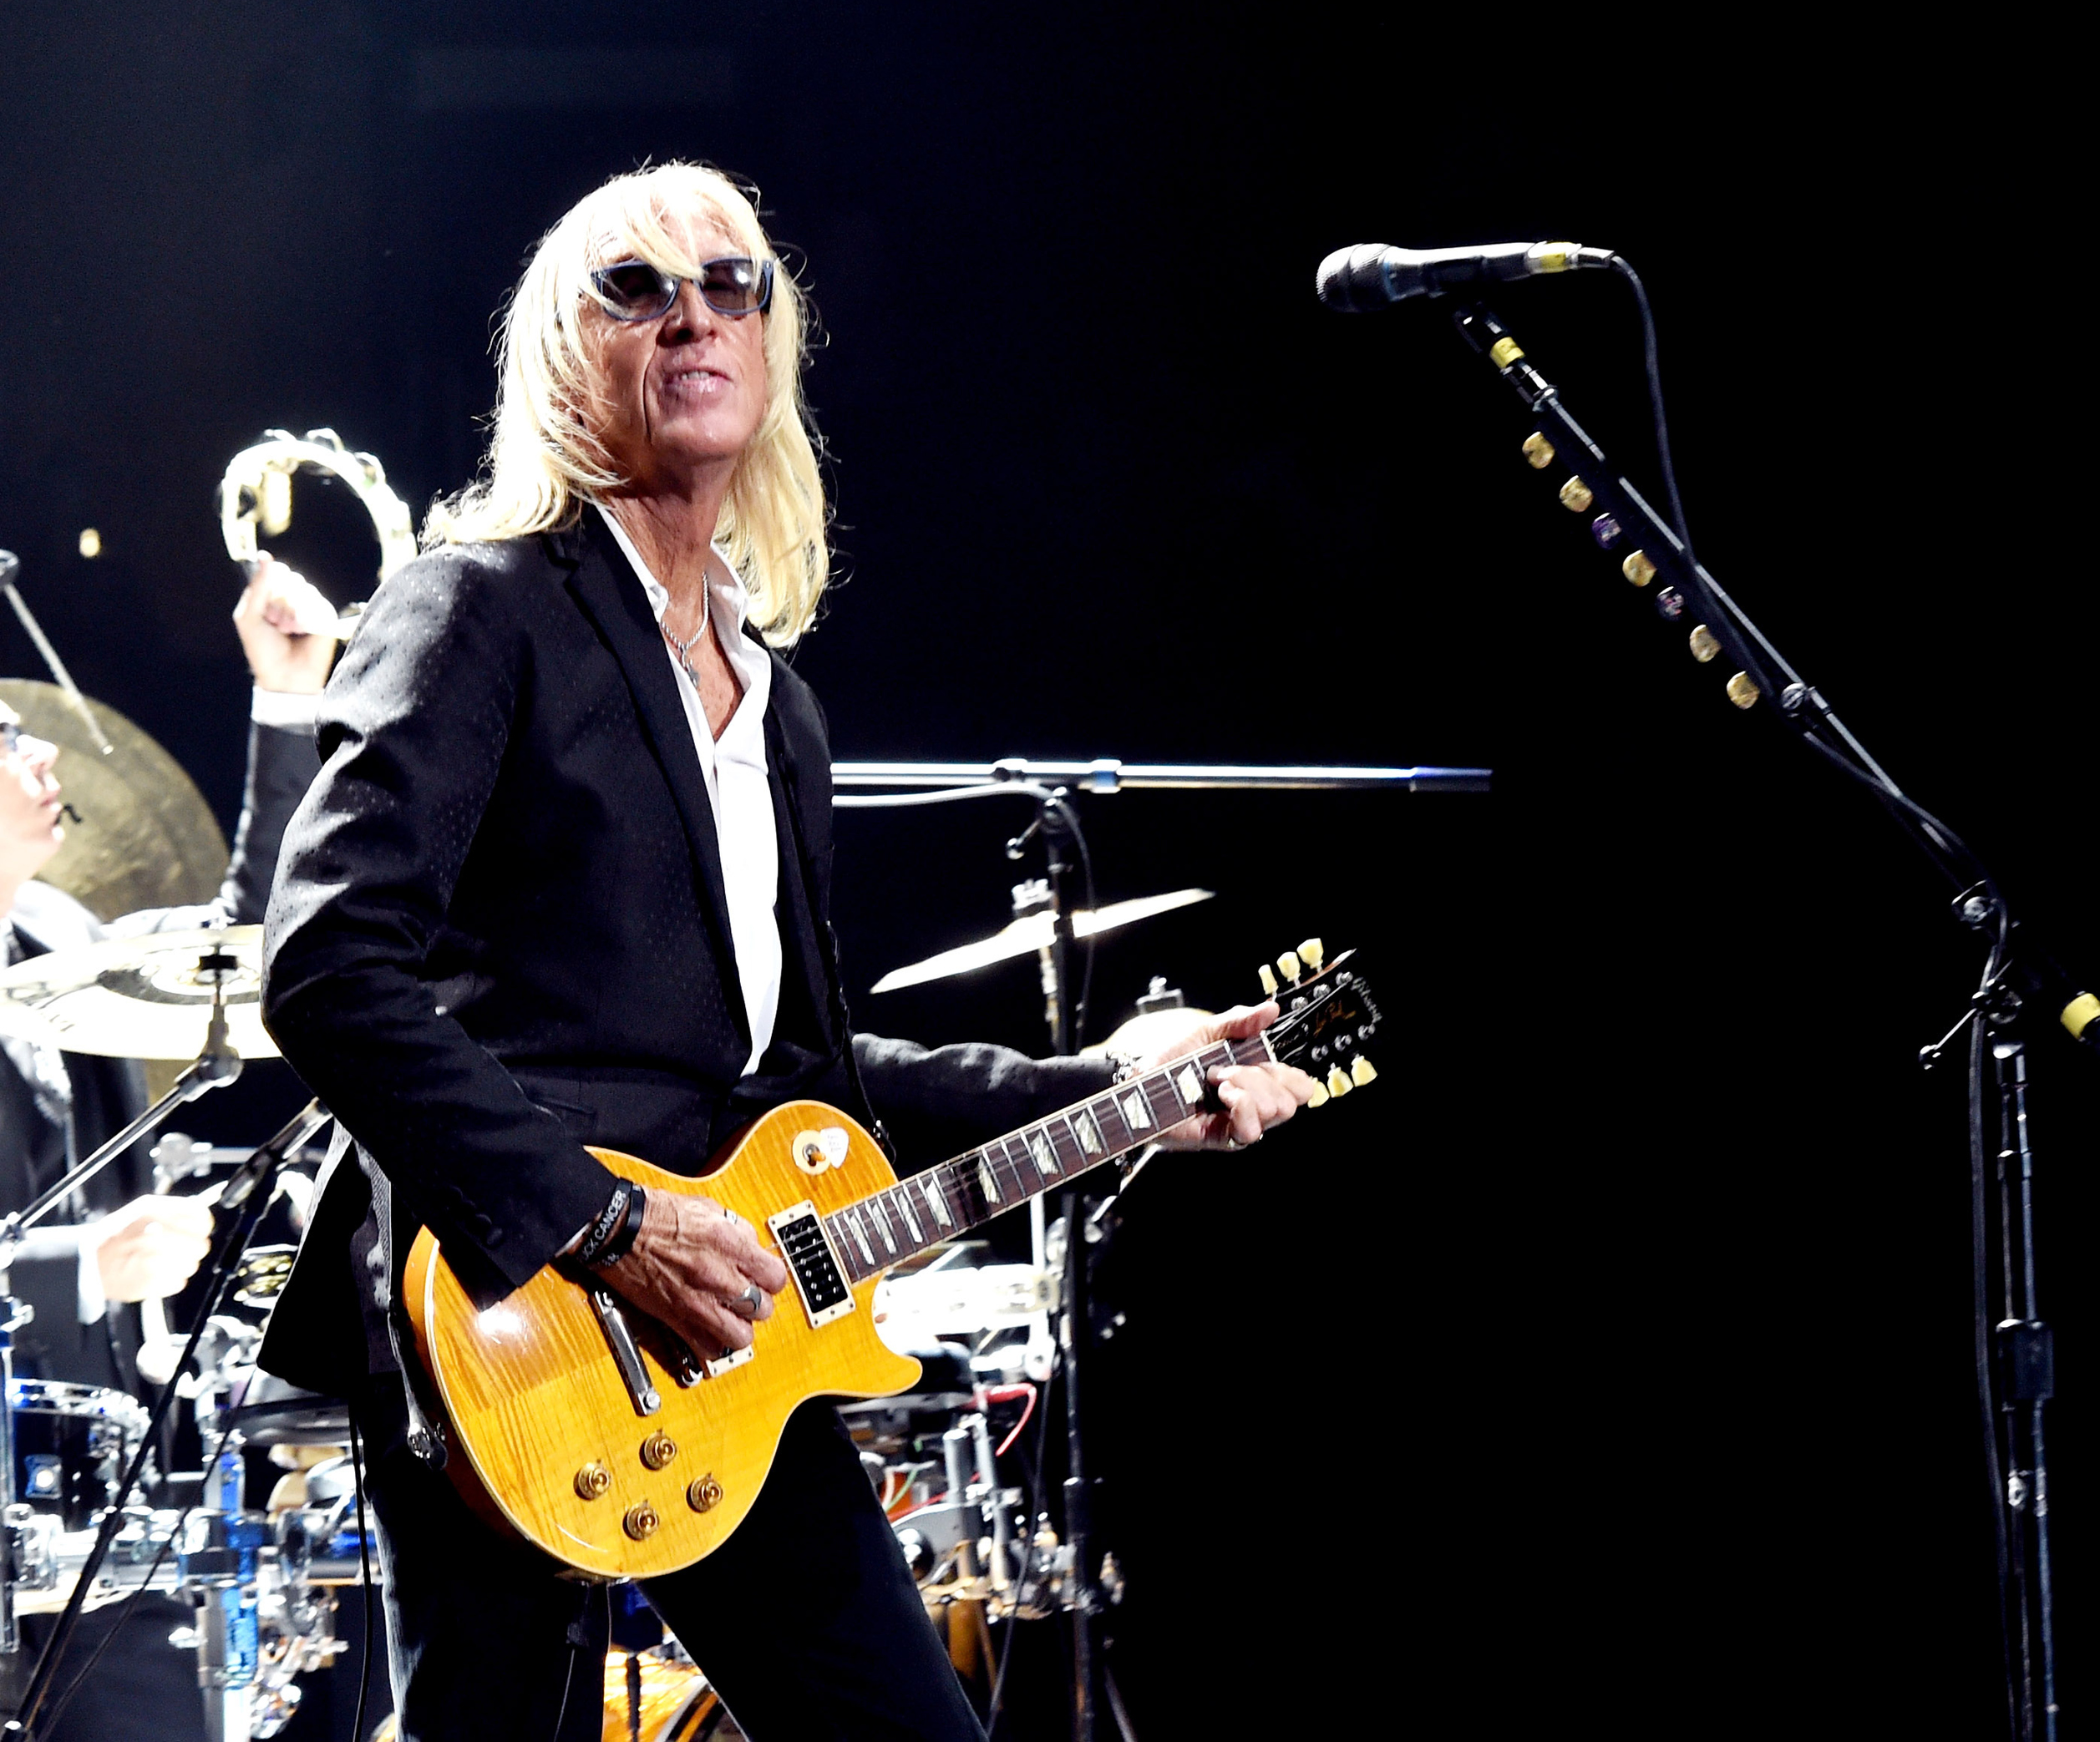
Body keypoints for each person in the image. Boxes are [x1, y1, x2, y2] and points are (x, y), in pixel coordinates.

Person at [256, 162, 1314, 1742]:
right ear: (565, 352)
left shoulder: (778, 701)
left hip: (728, 1337)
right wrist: (608, 1228)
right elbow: (329, 970)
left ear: (773, 343)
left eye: (732, 282)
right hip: (503, 1313)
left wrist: (1118, 1085)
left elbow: (809, 1078)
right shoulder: (477, 608)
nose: (693, 310)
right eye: (635, 286)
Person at [0, 553, 337, 1735]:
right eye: (4, 738)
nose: (40, 751)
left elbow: (246, 942)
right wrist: (87, 1268)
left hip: (101, 1505)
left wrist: (287, 696)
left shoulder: (51, 931)